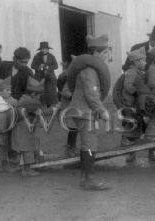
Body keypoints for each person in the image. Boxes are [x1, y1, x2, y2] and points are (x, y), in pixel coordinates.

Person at [66, 34, 111, 190]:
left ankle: (86, 177)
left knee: (87, 144)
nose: (107, 56)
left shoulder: (90, 69)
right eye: (105, 52)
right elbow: (91, 94)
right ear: (96, 53)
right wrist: (102, 111)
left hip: (84, 111)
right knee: (90, 144)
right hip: (84, 111)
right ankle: (89, 180)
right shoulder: (90, 71)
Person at [117, 48, 147, 162]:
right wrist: (138, 91)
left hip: (133, 103)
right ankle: (125, 143)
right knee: (130, 124)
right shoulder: (131, 72)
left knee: (134, 126)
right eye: (143, 61)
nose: (145, 63)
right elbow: (128, 86)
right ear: (136, 62)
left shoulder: (137, 72)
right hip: (129, 104)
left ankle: (131, 152)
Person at [11, 76, 43, 177]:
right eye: (39, 95)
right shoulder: (31, 102)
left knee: (25, 150)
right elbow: (40, 109)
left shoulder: (24, 99)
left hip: (20, 128)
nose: (39, 97)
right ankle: (27, 170)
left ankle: (23, 167)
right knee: (28, 149)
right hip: (25, 130)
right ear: (33, 94)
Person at [0, 77, 18, 172]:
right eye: (7, 90)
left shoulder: (10, 100)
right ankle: (3, 164)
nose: (10, 92)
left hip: (7, 127)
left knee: (5, 145)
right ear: (0, 92)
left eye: (10, 90)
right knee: (1, 146)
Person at [31, 41, 58, 106]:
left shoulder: (51, 56)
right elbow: (32, 66)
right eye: (43, 49)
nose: (45, 50)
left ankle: (52, 106)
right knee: (41, 93)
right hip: (40, 77)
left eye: (46, 49)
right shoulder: (37, 56)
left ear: (48, 49)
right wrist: (39, 67)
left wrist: (49, 67)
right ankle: (41, 106)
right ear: (41, 49)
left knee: (51, 92)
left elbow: (56, 66)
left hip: (50, 77)